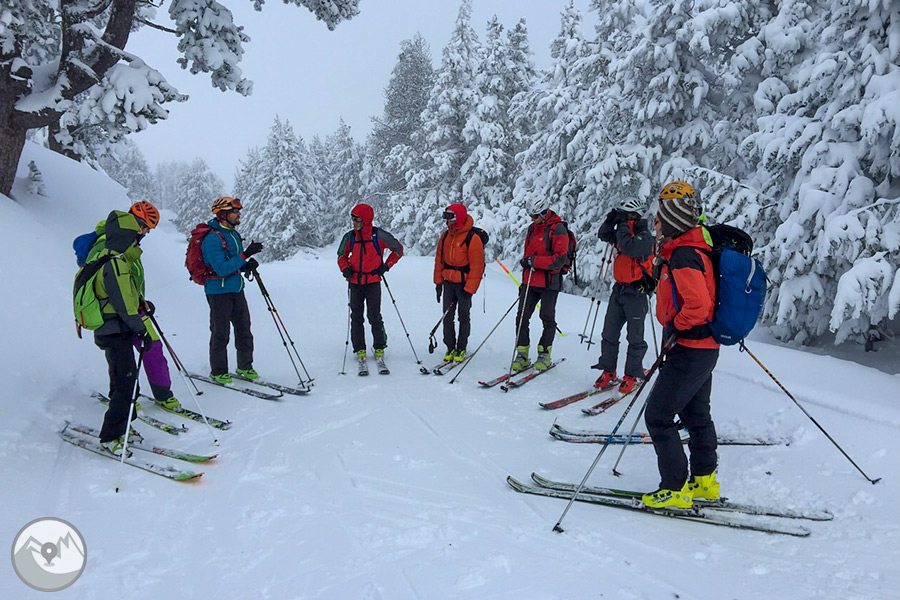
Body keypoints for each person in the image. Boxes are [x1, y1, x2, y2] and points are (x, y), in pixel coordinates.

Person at [642, 181, 720, 509]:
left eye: (660, 216)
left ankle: (674, 488)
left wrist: (676, 326)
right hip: (704, 348)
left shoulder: (685, 254)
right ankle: (704, 481)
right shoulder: (689, 247)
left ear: (672, 217)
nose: (656, 222)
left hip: (689, 347)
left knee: (658, 416)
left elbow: (698, 306)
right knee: (695, 412)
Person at [78, 202, 181, 412]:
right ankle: (124, 401)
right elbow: (105, 278)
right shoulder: (107, 242)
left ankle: (163, 394)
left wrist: (141, 300)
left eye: (148, 229)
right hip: (112, 313)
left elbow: (130, 280)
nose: (145, 232)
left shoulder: (130, 242)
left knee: (153, 348)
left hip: (134, 308)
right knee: (121, 362)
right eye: (144, 227)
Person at [89, 204, 159, 455]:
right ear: (131, 232)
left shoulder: (116, 259)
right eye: (142, 231)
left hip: (115, 328)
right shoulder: (116, 262)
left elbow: (126, 298)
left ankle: (124, 427)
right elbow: (121, 304)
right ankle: (111, 437)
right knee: (125, 384)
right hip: (113, 330)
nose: (143, 236)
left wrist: (142, 303)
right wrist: (141, 330)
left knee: (125, 381)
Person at [592, 197, 655, 394]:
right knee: (609, 333)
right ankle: (608, 371)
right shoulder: (623, 232)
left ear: (635, 216)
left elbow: (629, 247)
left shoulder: (645, 236)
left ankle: (632, 374)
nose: (623, 221)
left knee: (635, 337)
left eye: (627, 216)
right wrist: (612, 218)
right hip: (619, 289)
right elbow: (603, 234)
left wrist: (623, 226)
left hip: (637, 292)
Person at [201, 197, 263, 384]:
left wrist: (246, 265)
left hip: (236, 288)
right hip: (218, 291)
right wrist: (246, 255)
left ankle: (245, 366)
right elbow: (221, 268)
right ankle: (218, 371)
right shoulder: (212, 238)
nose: (239, 214)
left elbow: (233, 261)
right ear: (223, 215)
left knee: (244, 328)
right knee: (221, 332)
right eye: (235, 212)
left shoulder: (233, 234)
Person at [337, 203, 404, 370]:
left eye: (357, 219)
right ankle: (359, 348)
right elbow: (341, 255)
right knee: (356, 317)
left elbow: (398, 249)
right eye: (352, 219)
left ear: (365, 220)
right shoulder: (350, 236)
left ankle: (379, 345)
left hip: (373, 282)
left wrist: (386, 266)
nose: (353, 222)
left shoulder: (378, 235)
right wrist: (345, 269)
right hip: (355, 282)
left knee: (374, 315)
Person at [511, 197, 570, 372]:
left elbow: (559, 260)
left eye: (535, 216)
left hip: (550, 283)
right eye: (531, 216)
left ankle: (544, 354)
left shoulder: (558, 229)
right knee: (521, 317)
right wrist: (527, 264)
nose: (532, 219)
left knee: (547, 318)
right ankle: (522, 355)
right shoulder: (532, 228)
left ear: (544, 213)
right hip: (530, 281)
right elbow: (529, 254)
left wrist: (534, 261)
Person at [433, 203, 485, 362]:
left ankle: (461, 348)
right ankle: (450, 346)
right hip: (448, 282)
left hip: (464, 285)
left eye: (450, 218)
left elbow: (477, 266)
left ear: (458, 218)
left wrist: (470, 289)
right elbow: (439, 260)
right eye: (446, 218)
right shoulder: (445, 236)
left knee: (463, 316)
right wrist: (438, 283)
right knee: (447, 316)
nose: (447, 222)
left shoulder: (472, 238)